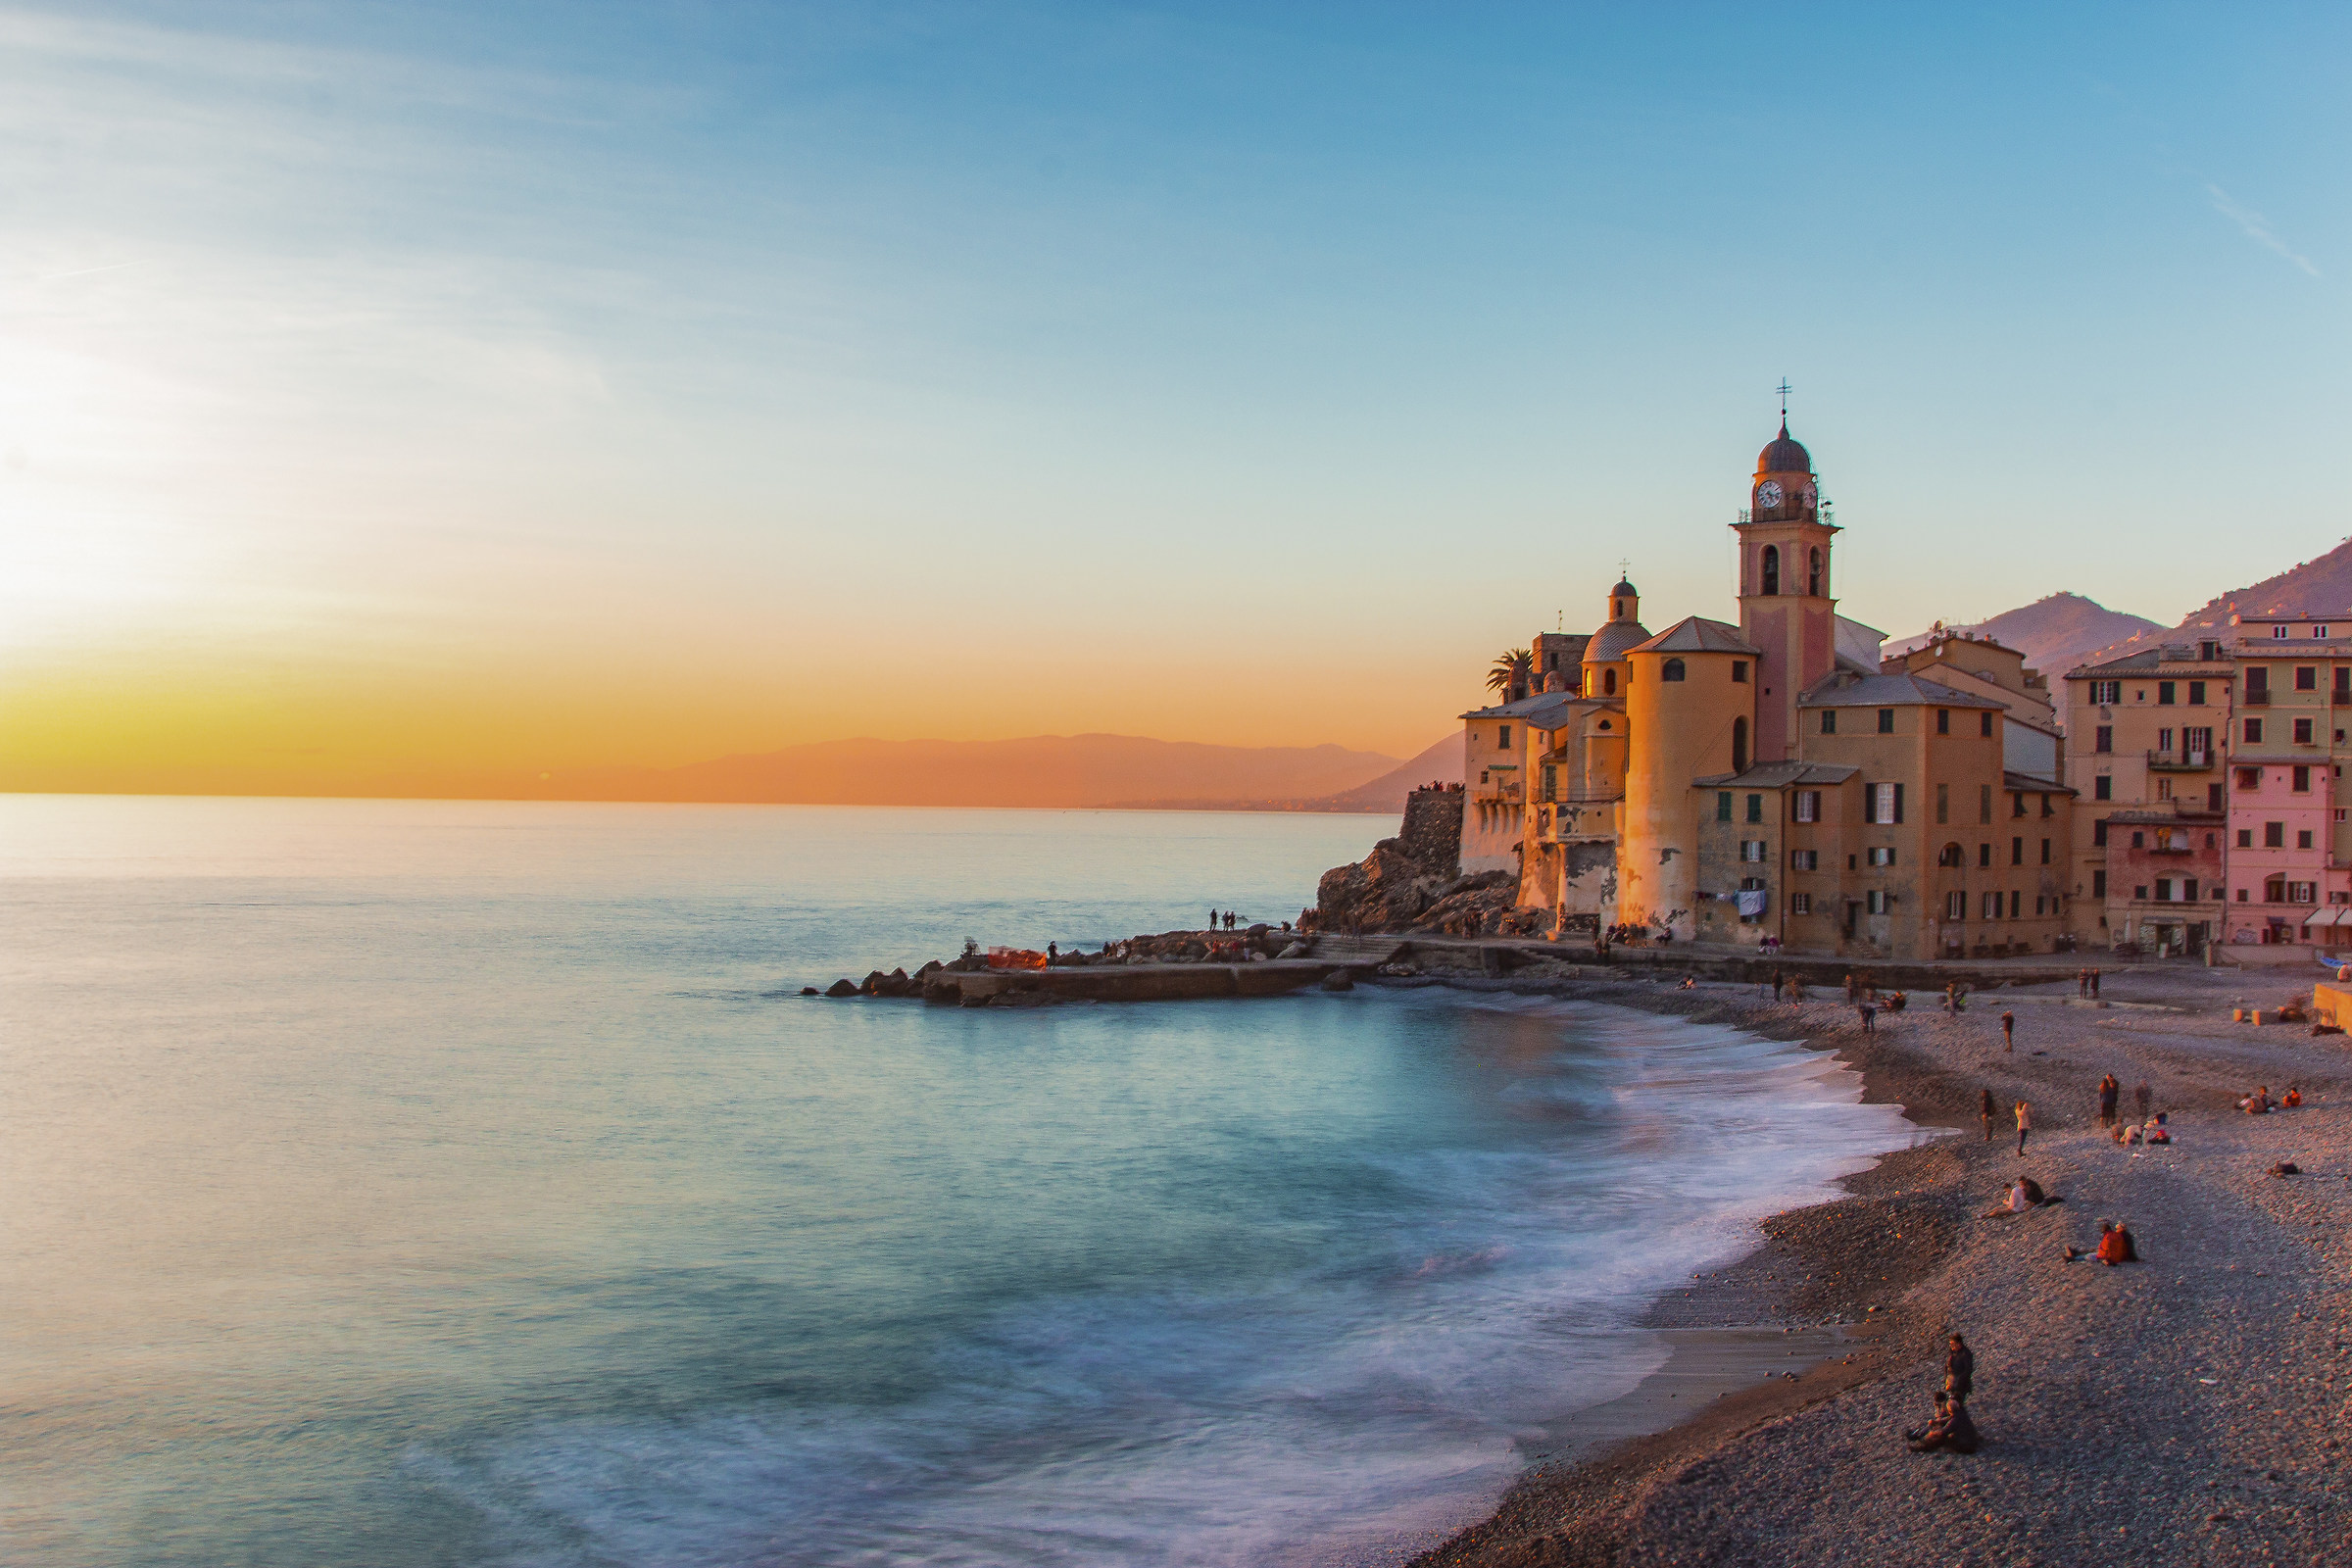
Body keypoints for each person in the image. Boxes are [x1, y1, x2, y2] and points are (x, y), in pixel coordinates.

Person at [1906, 1391, 1981, 1454]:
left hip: (1965, 1447)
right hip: (1971, 1442)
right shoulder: (1961, 1413)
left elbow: (1943, 1432)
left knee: (1942, 1438)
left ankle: (1922, 1448)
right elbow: (1949, 1418)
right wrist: (1936, 1422)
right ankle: (1922, 1438)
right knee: (1940, 1430)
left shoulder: (1955, 1420)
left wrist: (1933, 1433)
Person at [1945, 1334, 1975, 1399]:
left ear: (1958, 1344)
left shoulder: (1966, 1354)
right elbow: (1947, 1366)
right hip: (1952, 1383)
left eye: (1952, 1343)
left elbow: (1968, 1370)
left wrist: (1958, 1381)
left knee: (1958, 1403)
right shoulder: (1953, 1352)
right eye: (1950, 1344)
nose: (1950, 1346)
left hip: (1961, 1385)